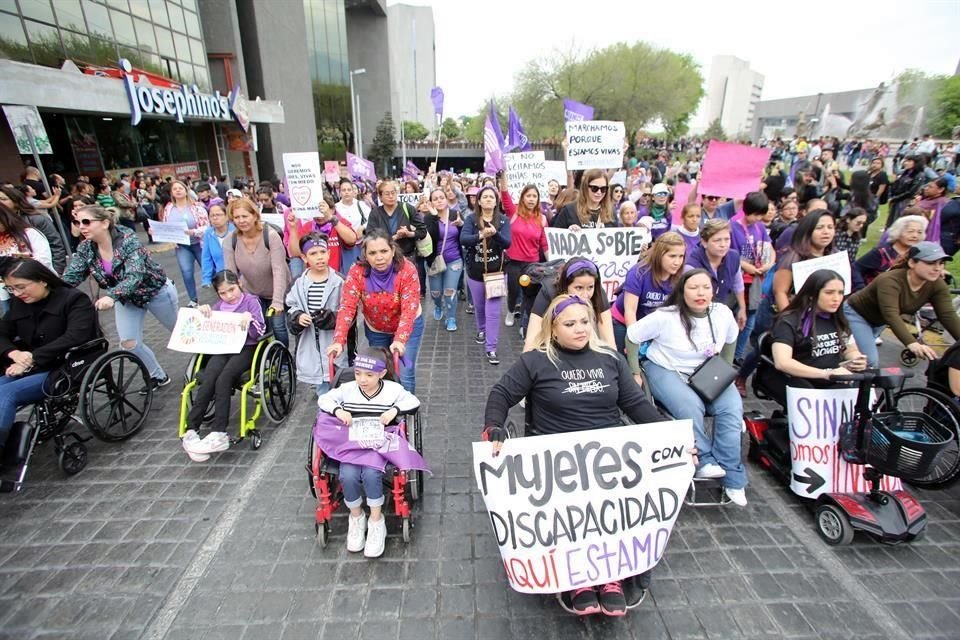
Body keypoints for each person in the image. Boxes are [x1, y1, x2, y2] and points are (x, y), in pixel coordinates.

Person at [483, 294, 666, 616]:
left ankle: (611, 576)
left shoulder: (610, 359)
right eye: (570, 324)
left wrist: (670, 435)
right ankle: (578, 578)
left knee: (614, 506)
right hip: (558, 459)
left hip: (608, 455)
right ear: (553, 329)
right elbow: (501, 393)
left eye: (585, 322)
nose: (580, 329)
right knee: (573, 510)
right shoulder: (536, 361)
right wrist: (494, 426)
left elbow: (636, 405)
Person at [628, 269, 747, 506]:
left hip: (707, 372)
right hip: (667, 369)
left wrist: (725, 369)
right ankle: (704, 460)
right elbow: (632, 336)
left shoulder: (722, 313)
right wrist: (634, 372)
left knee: (732, 408)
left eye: (705, 287)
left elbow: (731, 339)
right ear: (682, 291)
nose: (700, 293)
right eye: (693, 288)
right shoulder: (665, 316)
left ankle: (732, 475)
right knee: (690, 407)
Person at [316, 347, 421, 558]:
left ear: (382, 374)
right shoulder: (348, 389)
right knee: (347, 474)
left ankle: (376, 521)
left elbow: (414, 401)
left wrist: (394, 410)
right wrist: (339, 410)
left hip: (378, 443)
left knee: (372, 473)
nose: (362, 379)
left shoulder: (392, 389)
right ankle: (356, 517)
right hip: (353, 442)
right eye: (358, 373)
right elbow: (324, 400)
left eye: (369, 375)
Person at [62, 205, 178, 388]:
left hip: (155, 292)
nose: (81, 226)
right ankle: (157, 376)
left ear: (104, 223)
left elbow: (135, 275)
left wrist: (111, 296)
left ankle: (208, 364)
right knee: (129, 343)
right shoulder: (86, 248)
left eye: (86, 222)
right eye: (77, 222)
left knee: (181, 334)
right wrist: (49, 289)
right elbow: (71, 276)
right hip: (127, 300)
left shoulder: (128, 240)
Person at [0, 259, 99, 458]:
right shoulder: (19, 304)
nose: (17, 294)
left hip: (65, 366)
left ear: (42, 280)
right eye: (11, 289)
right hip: (29, 365)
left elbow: (75, 337)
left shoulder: (73, 300)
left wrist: (31, 358)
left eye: (21, 287)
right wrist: (15, 353)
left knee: (7, 393)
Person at [180, 270, 266, 462]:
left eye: (232, 290)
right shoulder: (218, 307)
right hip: (223, 348)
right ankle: (191, 428)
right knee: (209, 377)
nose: (229, 296)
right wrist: (203, 315)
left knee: (225, 378)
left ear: (239, 284)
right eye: (223, 293)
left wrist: (249, 320)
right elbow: (206, 331)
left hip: (247, 348)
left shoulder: (251, 302)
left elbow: (261, 331)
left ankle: (219, 431)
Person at [327, 231, 424, 392]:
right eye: (372, 253)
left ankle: (406, 413)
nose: (379, 258)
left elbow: (409, 309)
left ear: (393, 251)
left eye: (384, 251)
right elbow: (347, 308)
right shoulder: (357, 272)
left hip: (407, 327)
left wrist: (399, 339)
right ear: (365, 254)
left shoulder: (407, 270)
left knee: (405, 374)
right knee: (377, 372)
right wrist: (338, 341)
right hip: (376, 328)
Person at [761, 269, 867, 407]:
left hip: (830, 378)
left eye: (840, 292)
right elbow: (782, 362)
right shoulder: (789, 321)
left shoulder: (838, 319)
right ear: (812, 294)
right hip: (796, 378)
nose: (836, 298)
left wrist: (856, 359)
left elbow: (849, 349)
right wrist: (826, 373)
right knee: (808, 395)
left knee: (864, 387)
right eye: (829, 293)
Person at [844, 242, 960, 368]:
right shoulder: (890, 280)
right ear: (912, 263)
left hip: (879, 322)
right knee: (868, 360)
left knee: (854, 356)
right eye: (930, 263)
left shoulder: (937, 284)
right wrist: (911, 343)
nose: (937, 268)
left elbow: (947, 315)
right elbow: (890, 313)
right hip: (856, 315)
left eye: (941, 263)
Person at [223, 198, 291, 348]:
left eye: (245, 216)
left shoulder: (270, 236)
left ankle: (285, 360)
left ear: (254, 216)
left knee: (278, 326)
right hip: (252, 291)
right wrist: (233, 299)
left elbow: (279, 270)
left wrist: (278, 301)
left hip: (276, 289)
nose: (241, 221)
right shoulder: (230, 240)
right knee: (260, 327)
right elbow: (231, 274)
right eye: (237, 217)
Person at [287, 233, 345, 396]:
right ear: (305, 258)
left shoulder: (340, 281)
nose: (319, 257)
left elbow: (349, 311)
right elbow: (291, 305)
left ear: (329, 253)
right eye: (313, 254)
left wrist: (331, 318)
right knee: (322, 389)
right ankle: (324, 418)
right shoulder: (298, 283)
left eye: (322, 252)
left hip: (334, 343)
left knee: (339, 384)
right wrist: (297, 317)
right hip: (311, 343)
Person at [611, 232, 686, 356]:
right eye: (672, 256)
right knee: (623, 360)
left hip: (654, 325)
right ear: (659, 255)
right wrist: (634, 341)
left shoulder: (681, 277)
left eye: (681, 256)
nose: (677, 262)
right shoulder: (638, 273)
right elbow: (630, 310)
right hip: (624, 322)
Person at [461, 185, 512, 365]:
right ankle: (481, 329)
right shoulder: (471, 219)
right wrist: (481, 235)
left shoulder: (504, 221)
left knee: (493, 311)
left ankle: (491, 348)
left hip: (497, 272)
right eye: (485, 197)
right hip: (475, 272)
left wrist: (495, 234)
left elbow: (507, 243)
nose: (489, 199)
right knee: (480, 306)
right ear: (479, 201)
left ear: (496, 201)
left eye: (492, 196)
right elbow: (463, 239)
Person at [523, 257, 616, 351]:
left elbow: (609, 341)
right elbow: (531, 342)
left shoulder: (598, 293)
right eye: (579, 288)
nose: (585, 295)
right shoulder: (549, 292)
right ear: (565, 286)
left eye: (590, 287)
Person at [685, 219, 746, 328]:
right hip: (694, 315)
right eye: (717, 240)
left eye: (727, 239)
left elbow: (738, 284)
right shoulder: (691, 266)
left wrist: (742, 308)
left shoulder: (734, 257)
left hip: (720, 311)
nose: (723, 245)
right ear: (704, 242)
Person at [158, 179, 209, 307]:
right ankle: (193, 299)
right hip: (182, 246)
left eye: (180, 188)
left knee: (207, 269)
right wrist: (168, 237)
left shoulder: (197, 207)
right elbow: (166, 227)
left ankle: (222, 291)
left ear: (186, 191)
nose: (178, 190)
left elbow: (207, 227)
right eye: (175, 189)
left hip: (199, 243)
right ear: (171, 193)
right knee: (186, 271)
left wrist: (194, 232)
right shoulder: (168, 209)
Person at [504, 185, 549, 329]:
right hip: (514, 262)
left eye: (534, 196)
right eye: (528, 195)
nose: (531, 199)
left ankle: (525, 323)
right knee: (514, 291)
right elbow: (504, 194)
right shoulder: (514, 212)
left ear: (538, 200)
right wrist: (502, 174)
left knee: (529, 295)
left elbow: (545, 243)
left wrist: (552, 262)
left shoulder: (542, 219)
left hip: (532, 264)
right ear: (522, 197)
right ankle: (511, 311)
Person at [0, 203, 53, 315]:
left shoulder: (29, 233)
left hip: (39, 289)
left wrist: (18, 263)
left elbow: (44, 260)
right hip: (8, 295)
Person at [423, 188, 464, 332]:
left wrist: (461, 225)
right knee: (435, 292)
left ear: (447, 199)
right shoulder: (427, 218)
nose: (439, 200)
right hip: (434, 261)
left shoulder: (455, 215)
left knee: (449, 290)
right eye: (435, 198)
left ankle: (451, 317)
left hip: (454, 260)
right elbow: (430, 238)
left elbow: (465, 236)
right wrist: (434, 217)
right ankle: (438, 305)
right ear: (431, 202)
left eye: (442, 197)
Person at [0, 185, 66, 273]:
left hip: (41, 274)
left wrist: (56, 272)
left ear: (16, 202)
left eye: (3, 199)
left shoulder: (36, 220)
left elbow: (56, 245)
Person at [852, 214, 926, 289]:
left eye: (919, 232)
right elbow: (856, 268)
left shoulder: (920, 254)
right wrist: (860, 287)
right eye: (910, 231)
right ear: (898, 232)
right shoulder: (882, 252)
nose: (915, 236)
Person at [365, 180, 427, 260]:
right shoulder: (375, 213)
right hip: (384, 259)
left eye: (393, 193)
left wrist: (409, 234)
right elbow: (370, 236)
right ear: (380, 197)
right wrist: (394, 237)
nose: (391, 196)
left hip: (407, 257)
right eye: (387, 194)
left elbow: (422, 231)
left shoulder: (407, 208)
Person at [335, 179, 371, 270]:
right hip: (343, 246)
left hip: (360, 245)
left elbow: (372, 219)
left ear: (353, 191)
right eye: (343, 190)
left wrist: (363, 227)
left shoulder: (361, 205)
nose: (346, 192)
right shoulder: (336, 208)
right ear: (340, 193)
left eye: (349, 190)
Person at [200, 204, 235, 289]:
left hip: (241, 276)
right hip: (222, 277)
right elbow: (206, 258)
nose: (215, 218)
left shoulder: (235, 230)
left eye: (218, 215)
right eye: (212, 216)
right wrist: (206, 279)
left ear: (226, 216)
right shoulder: (208, 233)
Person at [885, 155, 925, 228]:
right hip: (897, 200)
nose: (906, 163)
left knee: (901, 222)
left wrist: (895, 198)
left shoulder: (919, 175)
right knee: (891, 222)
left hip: (905, 201)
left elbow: (911, 191)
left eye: (909, 161)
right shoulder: (905, 172)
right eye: (906, 161)